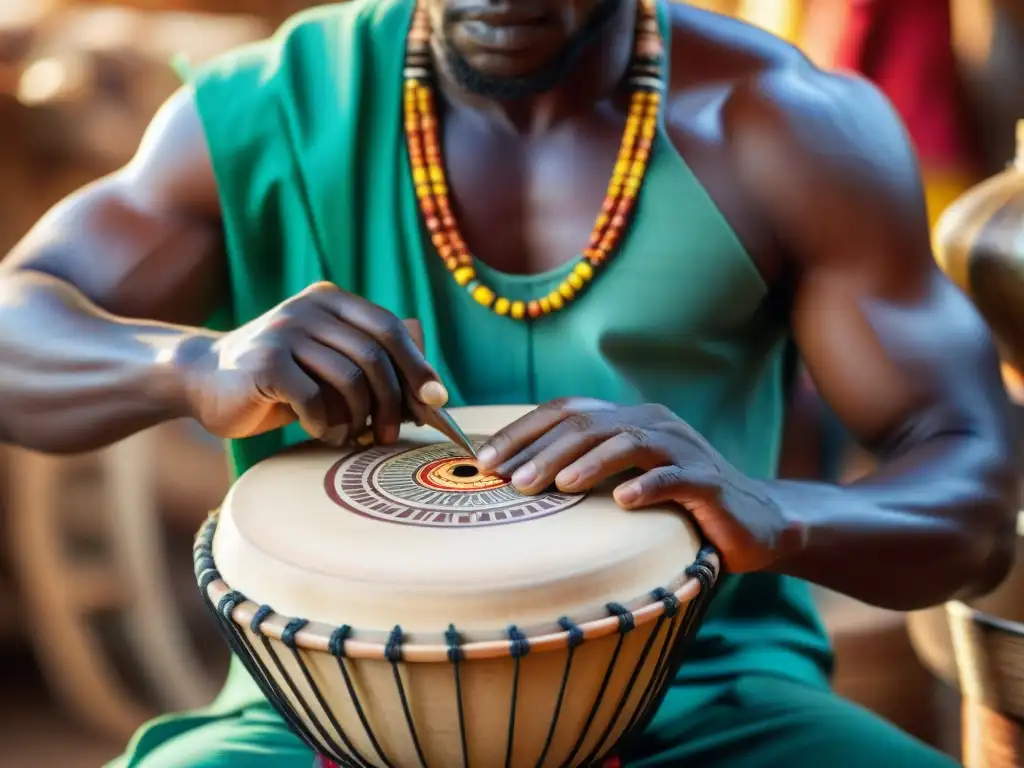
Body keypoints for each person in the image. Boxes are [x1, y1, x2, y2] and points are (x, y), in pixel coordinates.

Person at [0, 0, 1016, 765]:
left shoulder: (785, 126)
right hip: (312, 709)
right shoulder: (263, 110)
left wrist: (777, 514)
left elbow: (973, 498)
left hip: (703, 698)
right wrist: (191, 365)